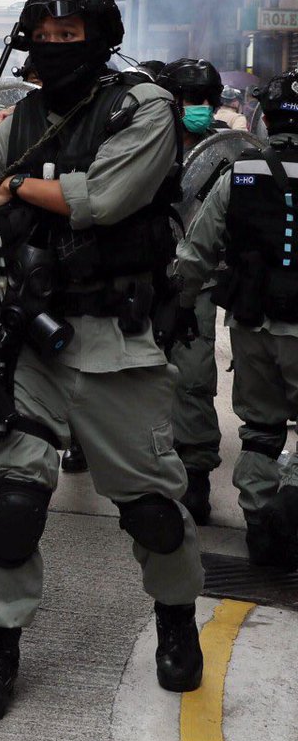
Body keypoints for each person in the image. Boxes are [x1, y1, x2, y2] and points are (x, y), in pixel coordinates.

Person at [0, 0, 203, 735]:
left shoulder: (144, 108)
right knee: (10, 501)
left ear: (102, 37)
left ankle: (177, 618)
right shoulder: (11, 119)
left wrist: (21, 187)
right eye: (45, 38)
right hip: (28, 336)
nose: (55, 48)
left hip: (117, 340)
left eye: (71, 37)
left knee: (151, 510)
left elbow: (107, 200)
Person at [172, 68, 298, 569]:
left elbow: (195, 252)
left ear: (264, 118)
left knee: (261, 431)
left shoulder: (241, 172)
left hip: (253, 328)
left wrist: (180, 305)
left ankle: (262, 528)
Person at [156, 57, 229, 523]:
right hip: (142, 270)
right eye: (189, 99)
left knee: (194, 376)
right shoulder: (146, 141)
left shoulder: (229, 150)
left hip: (197, 278)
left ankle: (196, 473)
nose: (197, 107)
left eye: (205, 99)